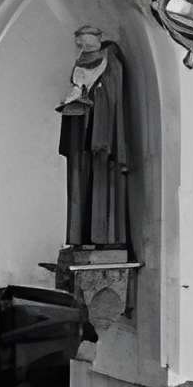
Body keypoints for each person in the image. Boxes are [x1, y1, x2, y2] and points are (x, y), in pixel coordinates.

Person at [58, 26, 130, 250]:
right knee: (79, 179)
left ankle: (106, 238)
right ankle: (80, 238)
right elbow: (78, 85)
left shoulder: (111, 62)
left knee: (103, 183)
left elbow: (113, 96)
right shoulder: (81, 61)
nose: (84, 49)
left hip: (103, 132)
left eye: (88, 44)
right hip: (81, 130)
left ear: (98, 39)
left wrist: (94, 97)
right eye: (80, 45)